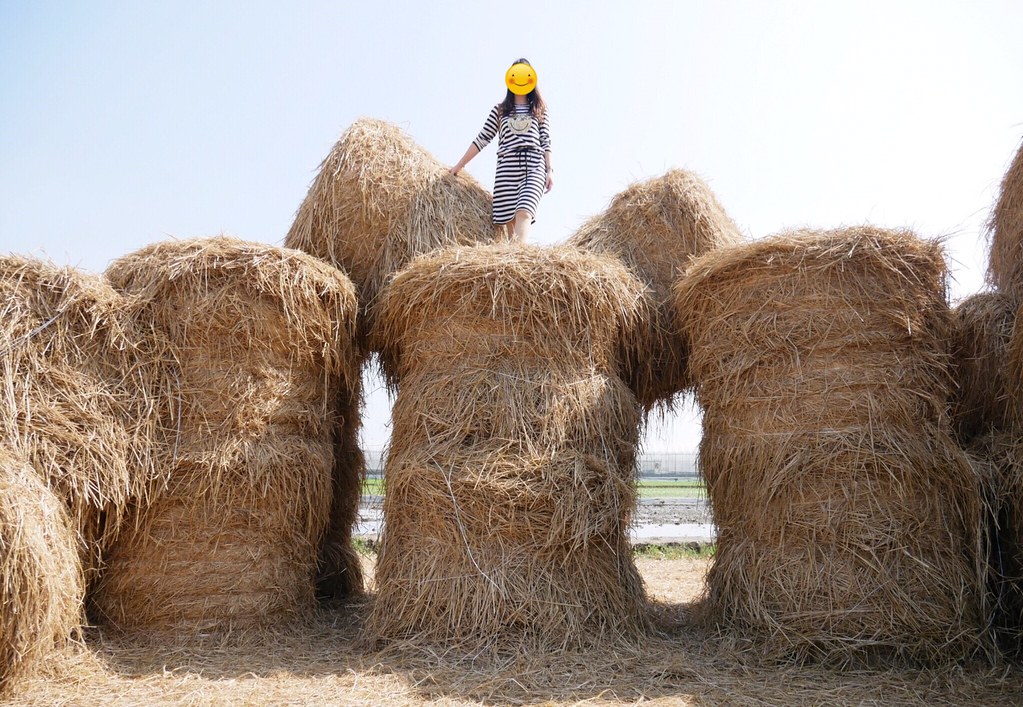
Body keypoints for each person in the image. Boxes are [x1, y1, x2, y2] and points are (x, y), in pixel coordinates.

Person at [449, 58, 553, 240]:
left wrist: (549, 170)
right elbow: (482, 138)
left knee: (524, 212)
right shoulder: (500, 110)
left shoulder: (539, 110)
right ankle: (513, 261)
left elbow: (545, 140)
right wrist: (459, 166)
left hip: (533, 165)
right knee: (511, 224)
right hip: (507, 169)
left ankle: (521, 262)